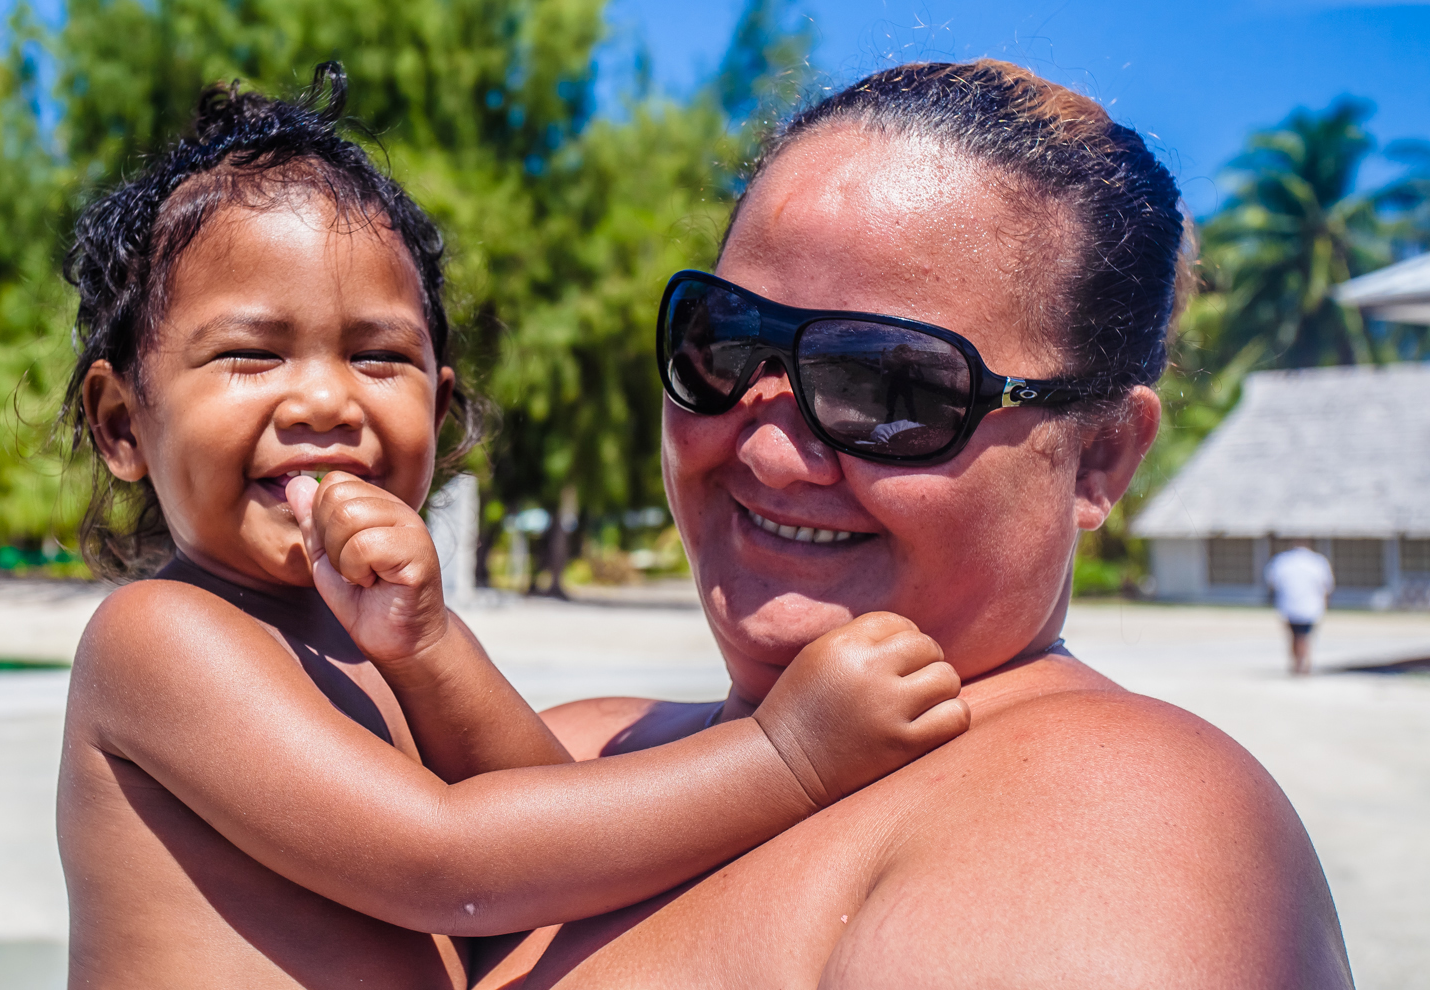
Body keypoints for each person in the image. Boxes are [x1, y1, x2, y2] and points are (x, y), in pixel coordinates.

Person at [54, 64, 969, 988]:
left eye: (379, 358)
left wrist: (427, 643)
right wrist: (789, 756)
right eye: (251, 354)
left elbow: (547, 811)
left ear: (441, 406)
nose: (326, 401)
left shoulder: (371, 639)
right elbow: (442, 867)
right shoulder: (158, 640)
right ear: (123, 424)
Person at [473, 60, 1353, 988]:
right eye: (723, 342)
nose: (769, 451)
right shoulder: (570, 756)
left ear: (1098, 460)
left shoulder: (1113, 823)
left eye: (890, 388)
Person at [1266, 539, 1335, 675]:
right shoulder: (1317, 561)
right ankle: (1303, 664)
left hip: (1289, 605)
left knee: (1295, 636)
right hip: (1310, 606)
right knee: (1304, 636)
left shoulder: (1282, 561)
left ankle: (1298, 663)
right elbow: (1327, 585)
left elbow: (1272, 582)